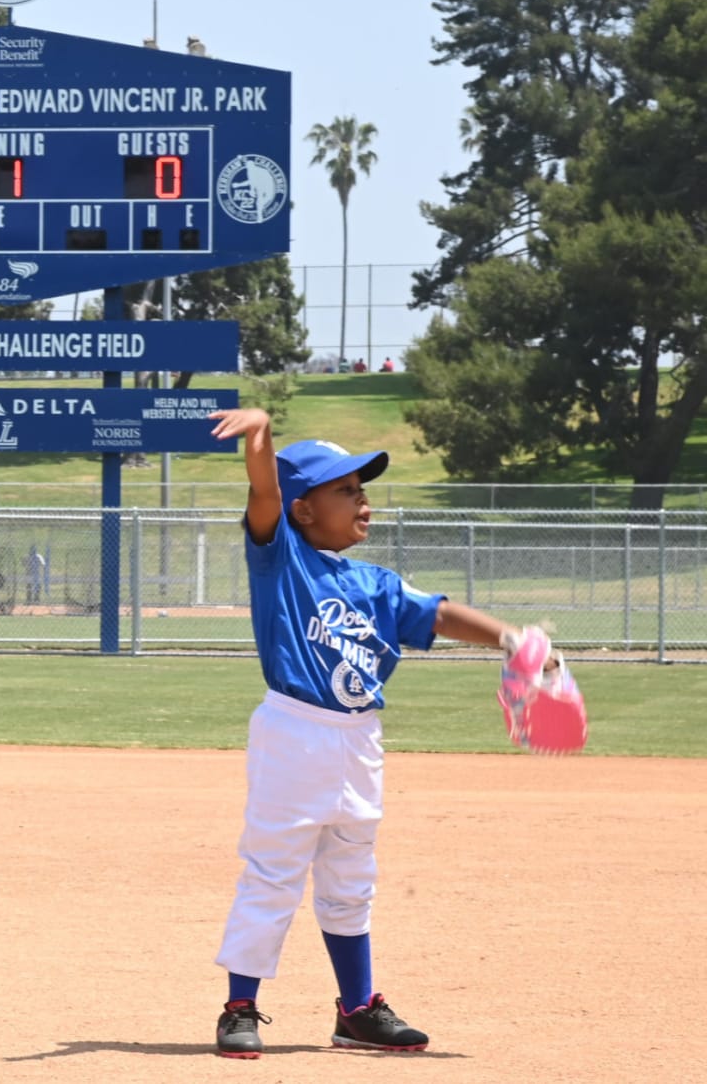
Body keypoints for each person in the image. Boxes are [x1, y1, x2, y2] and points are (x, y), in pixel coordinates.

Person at [203, 408, 535, 1060]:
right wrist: (261, 434)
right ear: (303, 510)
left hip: (360, 741)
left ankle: (356, 1010)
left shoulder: (375, 584)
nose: (364, 501)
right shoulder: (282, 560)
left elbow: (438, 615)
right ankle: (239, 1007)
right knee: (274, 871)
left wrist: (513, 640)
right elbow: (264, 493)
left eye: (362, 489)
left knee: (352, 875)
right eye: (346, 490)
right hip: (295, 732)